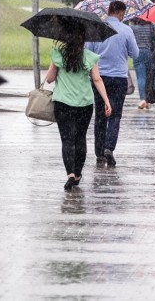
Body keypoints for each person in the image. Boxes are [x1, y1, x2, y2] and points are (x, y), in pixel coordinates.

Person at [45, 23, 112, 190]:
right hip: (84, 104)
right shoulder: (90, 56)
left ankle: (70, 174)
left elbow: (49, 79)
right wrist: (106, 101)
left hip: (62, 104)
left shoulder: (58, 54)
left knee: (67, 139)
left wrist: (55, 65)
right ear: (84, 39)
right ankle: (78, 173)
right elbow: (97, 80)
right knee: (80, 138)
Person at [86, 0, 139, 166]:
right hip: (119, 78)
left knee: (100, 114)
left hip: (99, 78)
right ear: (121, 13)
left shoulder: (97, 28)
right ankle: (109, 147)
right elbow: (135, 54)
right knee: (115, 114)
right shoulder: (126, 30)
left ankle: (99, 152)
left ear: (108, 11)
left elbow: (87, 51)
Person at [129, 18, 155, 109]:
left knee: (141, 77)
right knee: (149, 78)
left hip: (137, 53)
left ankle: (142, 99)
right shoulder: (151, 26)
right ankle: (147, 100)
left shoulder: (132, 27)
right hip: (148, 53)